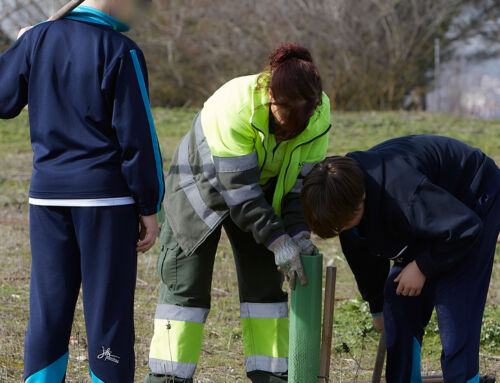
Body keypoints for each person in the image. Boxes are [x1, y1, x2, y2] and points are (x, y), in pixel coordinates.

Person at [144, 43, 331, 383]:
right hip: (198, 189)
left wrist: (298, 234)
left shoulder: (320, 117)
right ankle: (167, 378)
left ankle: (272, 376)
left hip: (261, 193)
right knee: (185, 289)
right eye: (283, 123)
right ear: (271, 97)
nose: (290, 131)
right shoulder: (235, 104)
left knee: (266, 290)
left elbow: (299, 186)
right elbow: (241, 194)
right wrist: (278, 240)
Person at [0, 0, 164, 381]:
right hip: (106, 202)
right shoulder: (121, 50)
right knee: (109, 311)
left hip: (48, 198)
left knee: (48, 308)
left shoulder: (38, 39)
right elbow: (138, 137)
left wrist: (22, 46)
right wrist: (149, 204)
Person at [301, 135, 500, 383]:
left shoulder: (404, 193)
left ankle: (464, 378)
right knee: (397, 300)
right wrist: (377, 306)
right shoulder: (344, 201)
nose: (344, 230)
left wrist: (423, 266)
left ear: (362, 196)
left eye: (345, 224)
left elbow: (465, 229)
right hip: (431, 217)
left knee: (455, 313)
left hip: (471, 201)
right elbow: (363, 259)